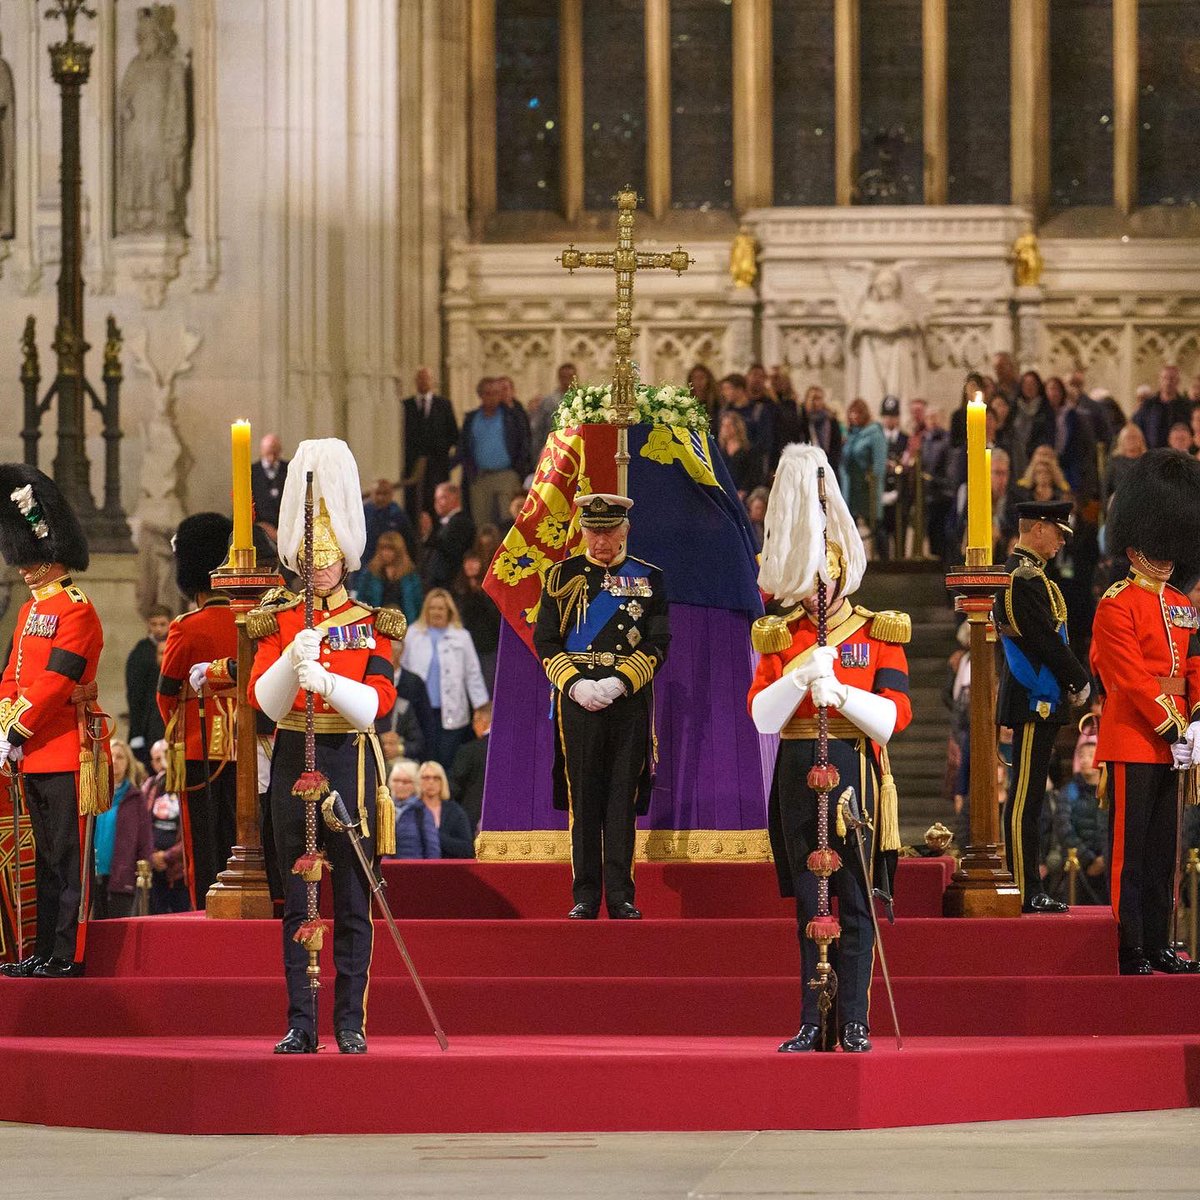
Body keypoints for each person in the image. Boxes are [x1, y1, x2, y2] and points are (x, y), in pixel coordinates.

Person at [748, 444, 912, 1054]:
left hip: (853, 772)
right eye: (810, 582)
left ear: (841, 575)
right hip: (794, 767)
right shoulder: (779, 634)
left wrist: (838, 692)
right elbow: (763, 717)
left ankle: (855, 1017)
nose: (818, 593)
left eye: (827, 580)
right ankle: (813, 1021)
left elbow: (892, 720)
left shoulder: (876, 631)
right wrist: (795, 678)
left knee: (852, 900)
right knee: (806, 907)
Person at [247, 437, 405, 1055]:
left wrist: (330, 680)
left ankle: (350, 1021)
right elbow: (264, 701)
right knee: (297, 899)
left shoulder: (371, 621)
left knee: (353, 902)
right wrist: (291, 662)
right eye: (311, 556)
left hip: (350, 760)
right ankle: (301, 1020)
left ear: (345, 559)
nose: (319, 567)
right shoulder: (280, 617)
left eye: (329, 556)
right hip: (294, 757)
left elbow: (378, 704)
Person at [534, 493, 670, 920]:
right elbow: (546, 641)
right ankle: (586, 896)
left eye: (609, 531)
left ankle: (622, 896)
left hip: (626, 701)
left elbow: (658, 642)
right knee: (585, 800)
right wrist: (574, 685)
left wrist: (620, 681)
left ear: (625, 531)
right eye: (593, 531)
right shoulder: (561, 576)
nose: (600, 541)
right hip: (577, 701)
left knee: (620, 801)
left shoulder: (649, 579)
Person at [1091, 449, 1200, 974]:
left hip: (1175, 739)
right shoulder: (1117, 602)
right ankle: (1128, 942)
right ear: (1136, 546)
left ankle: (1159, 941)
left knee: (1165, 852)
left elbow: (1194, 663)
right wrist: (1172, 720)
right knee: (1130, 852)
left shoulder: (1181, 602)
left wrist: (1196, 718)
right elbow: (1129, 676)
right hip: (1136, 735)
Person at [0, 464, 103, 979]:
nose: (22, 566)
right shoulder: (27, 611)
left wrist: (16, 728)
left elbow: (57, 682)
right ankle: (42, 949)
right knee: (42, 857)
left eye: (28, 557)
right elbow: (12, 674)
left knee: (67, 856)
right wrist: (5, 727)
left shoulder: (77, 611)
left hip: (65, 747)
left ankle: (68, 951)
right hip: (33, 749)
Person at [993, 500, 1092, 914]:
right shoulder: (1023, 579)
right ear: (1037, 530)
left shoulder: (1035, 578)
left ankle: (1028, 885)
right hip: (1033, 698)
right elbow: (1044, 641)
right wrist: (1079, 678)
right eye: (1057, 533)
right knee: (1024, 799)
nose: (1060, 542)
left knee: (1030, 797)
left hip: (1040, 698)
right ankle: (1023, 886)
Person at [157, 512, 239, 907]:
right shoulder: (248, 622)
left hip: (197, 744)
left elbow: (165, 693)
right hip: (247, 746)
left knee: (203, 842)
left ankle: (205, 909)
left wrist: (177, 732)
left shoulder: (186, 627)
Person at [401, 588, 489, 769]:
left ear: (449, 610)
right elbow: (404, 671)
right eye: (432, 608)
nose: (436, 612)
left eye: (441, 608)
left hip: (451, 709)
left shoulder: (462, 636)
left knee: (447, 760)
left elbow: (472, 673)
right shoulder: (413, 634)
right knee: (422, 758)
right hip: (419, 710)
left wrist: (481, 707)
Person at [462, 376, 529, 527]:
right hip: (481, 476)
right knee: (482, 523)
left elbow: (523, 443)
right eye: (487, 393)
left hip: (506, 475)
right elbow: (465, 448)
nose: (491, 397)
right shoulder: (472, 418)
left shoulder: (512, 416)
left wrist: (520, 471)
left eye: (495, 393)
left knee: (509, 521)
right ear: (480, 395)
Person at [1053, 729, 1108, 905]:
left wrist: (1104, 859)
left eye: (1091, 755)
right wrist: (1089, 859)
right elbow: (1064, 828)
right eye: (1082, 755)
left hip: (1106, 866)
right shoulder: (1070, 791)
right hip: (1079, 867)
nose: (1085, 760)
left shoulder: (1110, 792)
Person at [100, 739, 152, 918]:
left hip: (122, 878)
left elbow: (145, 841)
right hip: (94, 876)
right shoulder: (93, 795)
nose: (114, 761)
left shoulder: (136, 799)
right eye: (110, 756)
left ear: (128, 763)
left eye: (120, 757)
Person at [401, 366, 459, 518]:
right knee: (413, 505)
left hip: (437, 466)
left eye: (426, 378)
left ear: (433, 382)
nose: (423, 382)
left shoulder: (443, 405)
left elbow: (453, 434)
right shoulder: (406, 406)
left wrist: (443, 453)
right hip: (412, 466)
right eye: (420, 378)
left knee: (437, 502)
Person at [142, 738, 188, 913]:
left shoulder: (185, 786)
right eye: (157, 759)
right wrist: (152, 854)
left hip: (179, 868)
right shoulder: (150, 786)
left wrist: (168, 856)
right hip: (154, 866)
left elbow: (190, 833)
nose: (163, 764)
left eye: (166, 757)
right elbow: (142, 824)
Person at [840, 398, 887, 559]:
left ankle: (885, 562)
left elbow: (879, 462)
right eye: (851, 412)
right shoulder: (851, 434)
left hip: (867, 487)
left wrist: (873, 481)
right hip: (851, 486)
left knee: (874, 524)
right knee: (850, 524)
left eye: (857, 412)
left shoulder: (874, 433)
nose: (854, 416)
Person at [126, 604, 171, 767]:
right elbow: (134, 692)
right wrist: (137, 730)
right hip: (148, 717)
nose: (158, 629)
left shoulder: (175, 646)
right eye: (154, 624)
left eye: (162, 624)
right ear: (148, 625)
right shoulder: (141, 652)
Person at [453, 552, 501, 690]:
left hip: (487, 645)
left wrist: (481, 594)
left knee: (486, 686)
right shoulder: (458, 588)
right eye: (467, 562)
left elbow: (495, 616)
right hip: (464, 643)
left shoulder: (490, 588)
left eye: (474, 561)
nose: (470, 566)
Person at [352, 529, 422, 623]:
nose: (386, 553)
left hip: (407, 626)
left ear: (399, 551)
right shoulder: (370, 574)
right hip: (375, 625)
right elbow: (360, 601)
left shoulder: (410, 576)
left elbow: (417, 603)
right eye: (383, 549)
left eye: (390, 549)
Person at [420, 481, 476, 590]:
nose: (437, 503)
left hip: (450, 584)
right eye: (435, 499)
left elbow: (450, 548)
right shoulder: (444, 523)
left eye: (442, 498)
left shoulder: (461, 522)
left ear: (454, 498)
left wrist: (428, 533)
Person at [415, 759, 475, 858]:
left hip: (448, 868)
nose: (431, 782)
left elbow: (467, 849)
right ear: (418, 781)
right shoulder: (412, 809)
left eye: (436, 778)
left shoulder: (455, 811)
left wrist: (434, 835)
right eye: (426, 778)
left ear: (442, 782)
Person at [449, 702, 491, 833]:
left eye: (474, 721)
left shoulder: (469, 750)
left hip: (472, 816)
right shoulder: (514, 751)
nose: (473, 727)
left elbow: (455, 785)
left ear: (482, 721)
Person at [386, 759, 440, 859]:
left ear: (415, 785)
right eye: (396, 780)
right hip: (385, 871)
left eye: (406, 782)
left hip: (414, 870)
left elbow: (433, 851)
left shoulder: (422, 812)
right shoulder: (383, 810)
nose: (400, 785)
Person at [361, 478, 417, 569]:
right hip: (365, 567)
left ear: (391, 495)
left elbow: (409, 542)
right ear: (371, 494)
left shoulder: (398, 515)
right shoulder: (363, 513)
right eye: (378, 493)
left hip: (391, 569)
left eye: (385, 493)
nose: (381, 497)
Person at [1133, 364, 1192, 450]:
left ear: (1178, 381)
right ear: (1159, 380)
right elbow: (1136, 427)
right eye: (1165, 378)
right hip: (1153, 454)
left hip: (1178, 455)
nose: (1168, 382)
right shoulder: (1148, 405)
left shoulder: (1186, 406)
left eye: (1172, 378)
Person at [528, 362, 577, 458]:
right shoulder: (549, 401)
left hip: (576, 446)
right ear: (559, 378)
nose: (567, 380)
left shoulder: (583, 399)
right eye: (564, 377)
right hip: (553, 448)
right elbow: (538, 428)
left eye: (570, 376)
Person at [251, 434, 289, 536]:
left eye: (275, 453)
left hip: (286, 528)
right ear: (262, 451)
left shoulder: (289, 469)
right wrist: (261, 526)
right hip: (260, 529)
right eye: (268, 453)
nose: (272, 457)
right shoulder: (251, 472)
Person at [717, 411, 762, 498]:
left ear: (737, 427)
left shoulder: (748, 451)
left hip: (744, 494)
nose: (726, 428)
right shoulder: (720, 451)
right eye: (724, 425)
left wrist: (744, 491)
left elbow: (753, 474)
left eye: (729, 425)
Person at [1104, 422, 1147, 500]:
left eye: (1134, 437)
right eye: (1128, 437)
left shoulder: (1148, 461)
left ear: (1141, 440)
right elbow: (1106, 490)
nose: (1131, 440)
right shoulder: (1114, 463)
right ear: (1121, 441)